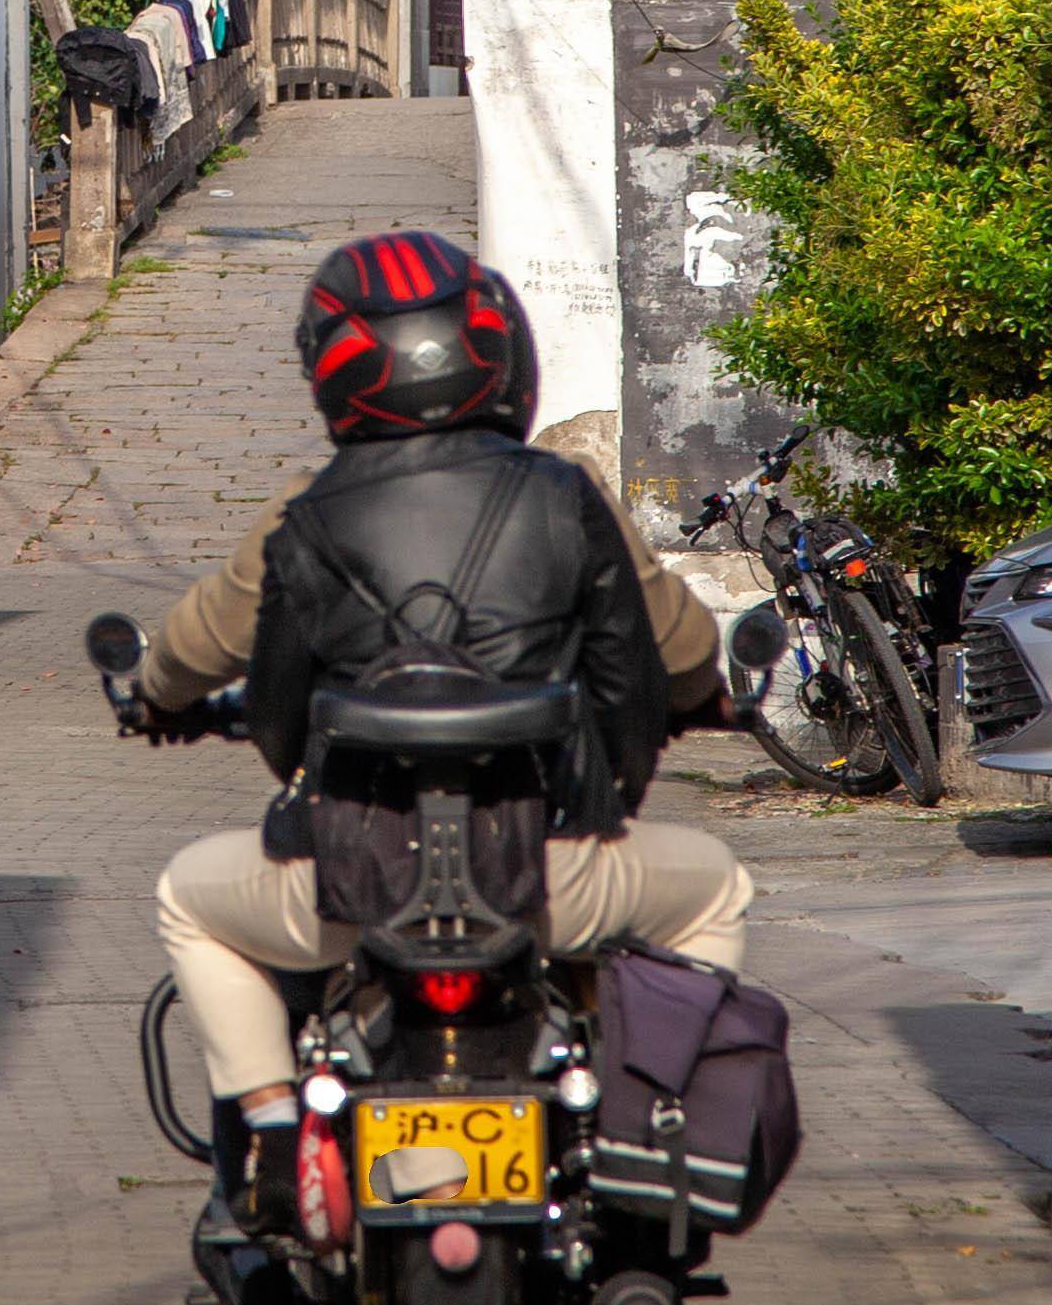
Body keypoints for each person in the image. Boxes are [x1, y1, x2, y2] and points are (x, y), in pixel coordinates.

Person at [125, 230, 755, 1225]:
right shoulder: (566, 497)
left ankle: (278, 1133)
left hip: (349, 884)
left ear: (333, 368)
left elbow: (224, 665)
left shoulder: (307, 513)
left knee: (188, 899)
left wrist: (153, 691)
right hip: (554, 879)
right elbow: (674, 655)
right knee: (717, 883)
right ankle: (649, 1124)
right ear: (500, 354)